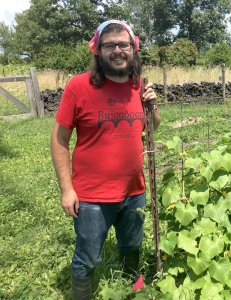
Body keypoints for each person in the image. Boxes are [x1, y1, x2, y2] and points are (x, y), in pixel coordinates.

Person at [50, 20, 161, 299]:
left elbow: (150, 127)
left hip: (134, 190)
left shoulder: (139, 85)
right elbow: (59, 140)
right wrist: (67, 189)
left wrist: (153, 105)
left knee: (132, 246)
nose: (117, 50)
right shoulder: (79, 86)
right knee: (87, 258)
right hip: (91, 196)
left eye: (123, 44)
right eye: (109, 45)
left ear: (133, 49)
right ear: (97, 50)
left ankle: (132, 289)